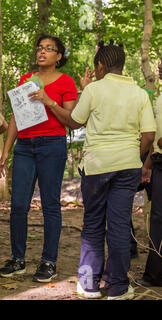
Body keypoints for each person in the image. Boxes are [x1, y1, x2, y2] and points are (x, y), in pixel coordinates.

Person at [67, 40, 156, 299]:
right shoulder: (139, 93)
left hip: (97, 166)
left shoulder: (94, 90)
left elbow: (74, 121)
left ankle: (89, 284)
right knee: (118, 226)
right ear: (122, 65)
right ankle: (118, 287)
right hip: (128, 165)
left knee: (93, 223)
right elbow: (149, 136)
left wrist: (84, 91)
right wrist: (132, 155)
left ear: (100, 65)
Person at [0, 35, 78, 282]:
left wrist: (48, 100)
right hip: (24, 147)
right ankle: (17, 259)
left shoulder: (66, 82)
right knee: (18, 205)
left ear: (58, 56)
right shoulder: (25, 80)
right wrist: (7, 150)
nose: (42, 52)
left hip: (52, 146)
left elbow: (70, 120)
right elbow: (15, 118)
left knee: (50, 205)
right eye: (40, 47)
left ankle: (48, 262)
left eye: (49, 49)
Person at [138, 62, 162, 287]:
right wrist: (148, 163)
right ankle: (154, 275)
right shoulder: (158, 97)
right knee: (157, 218)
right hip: (158, 161)